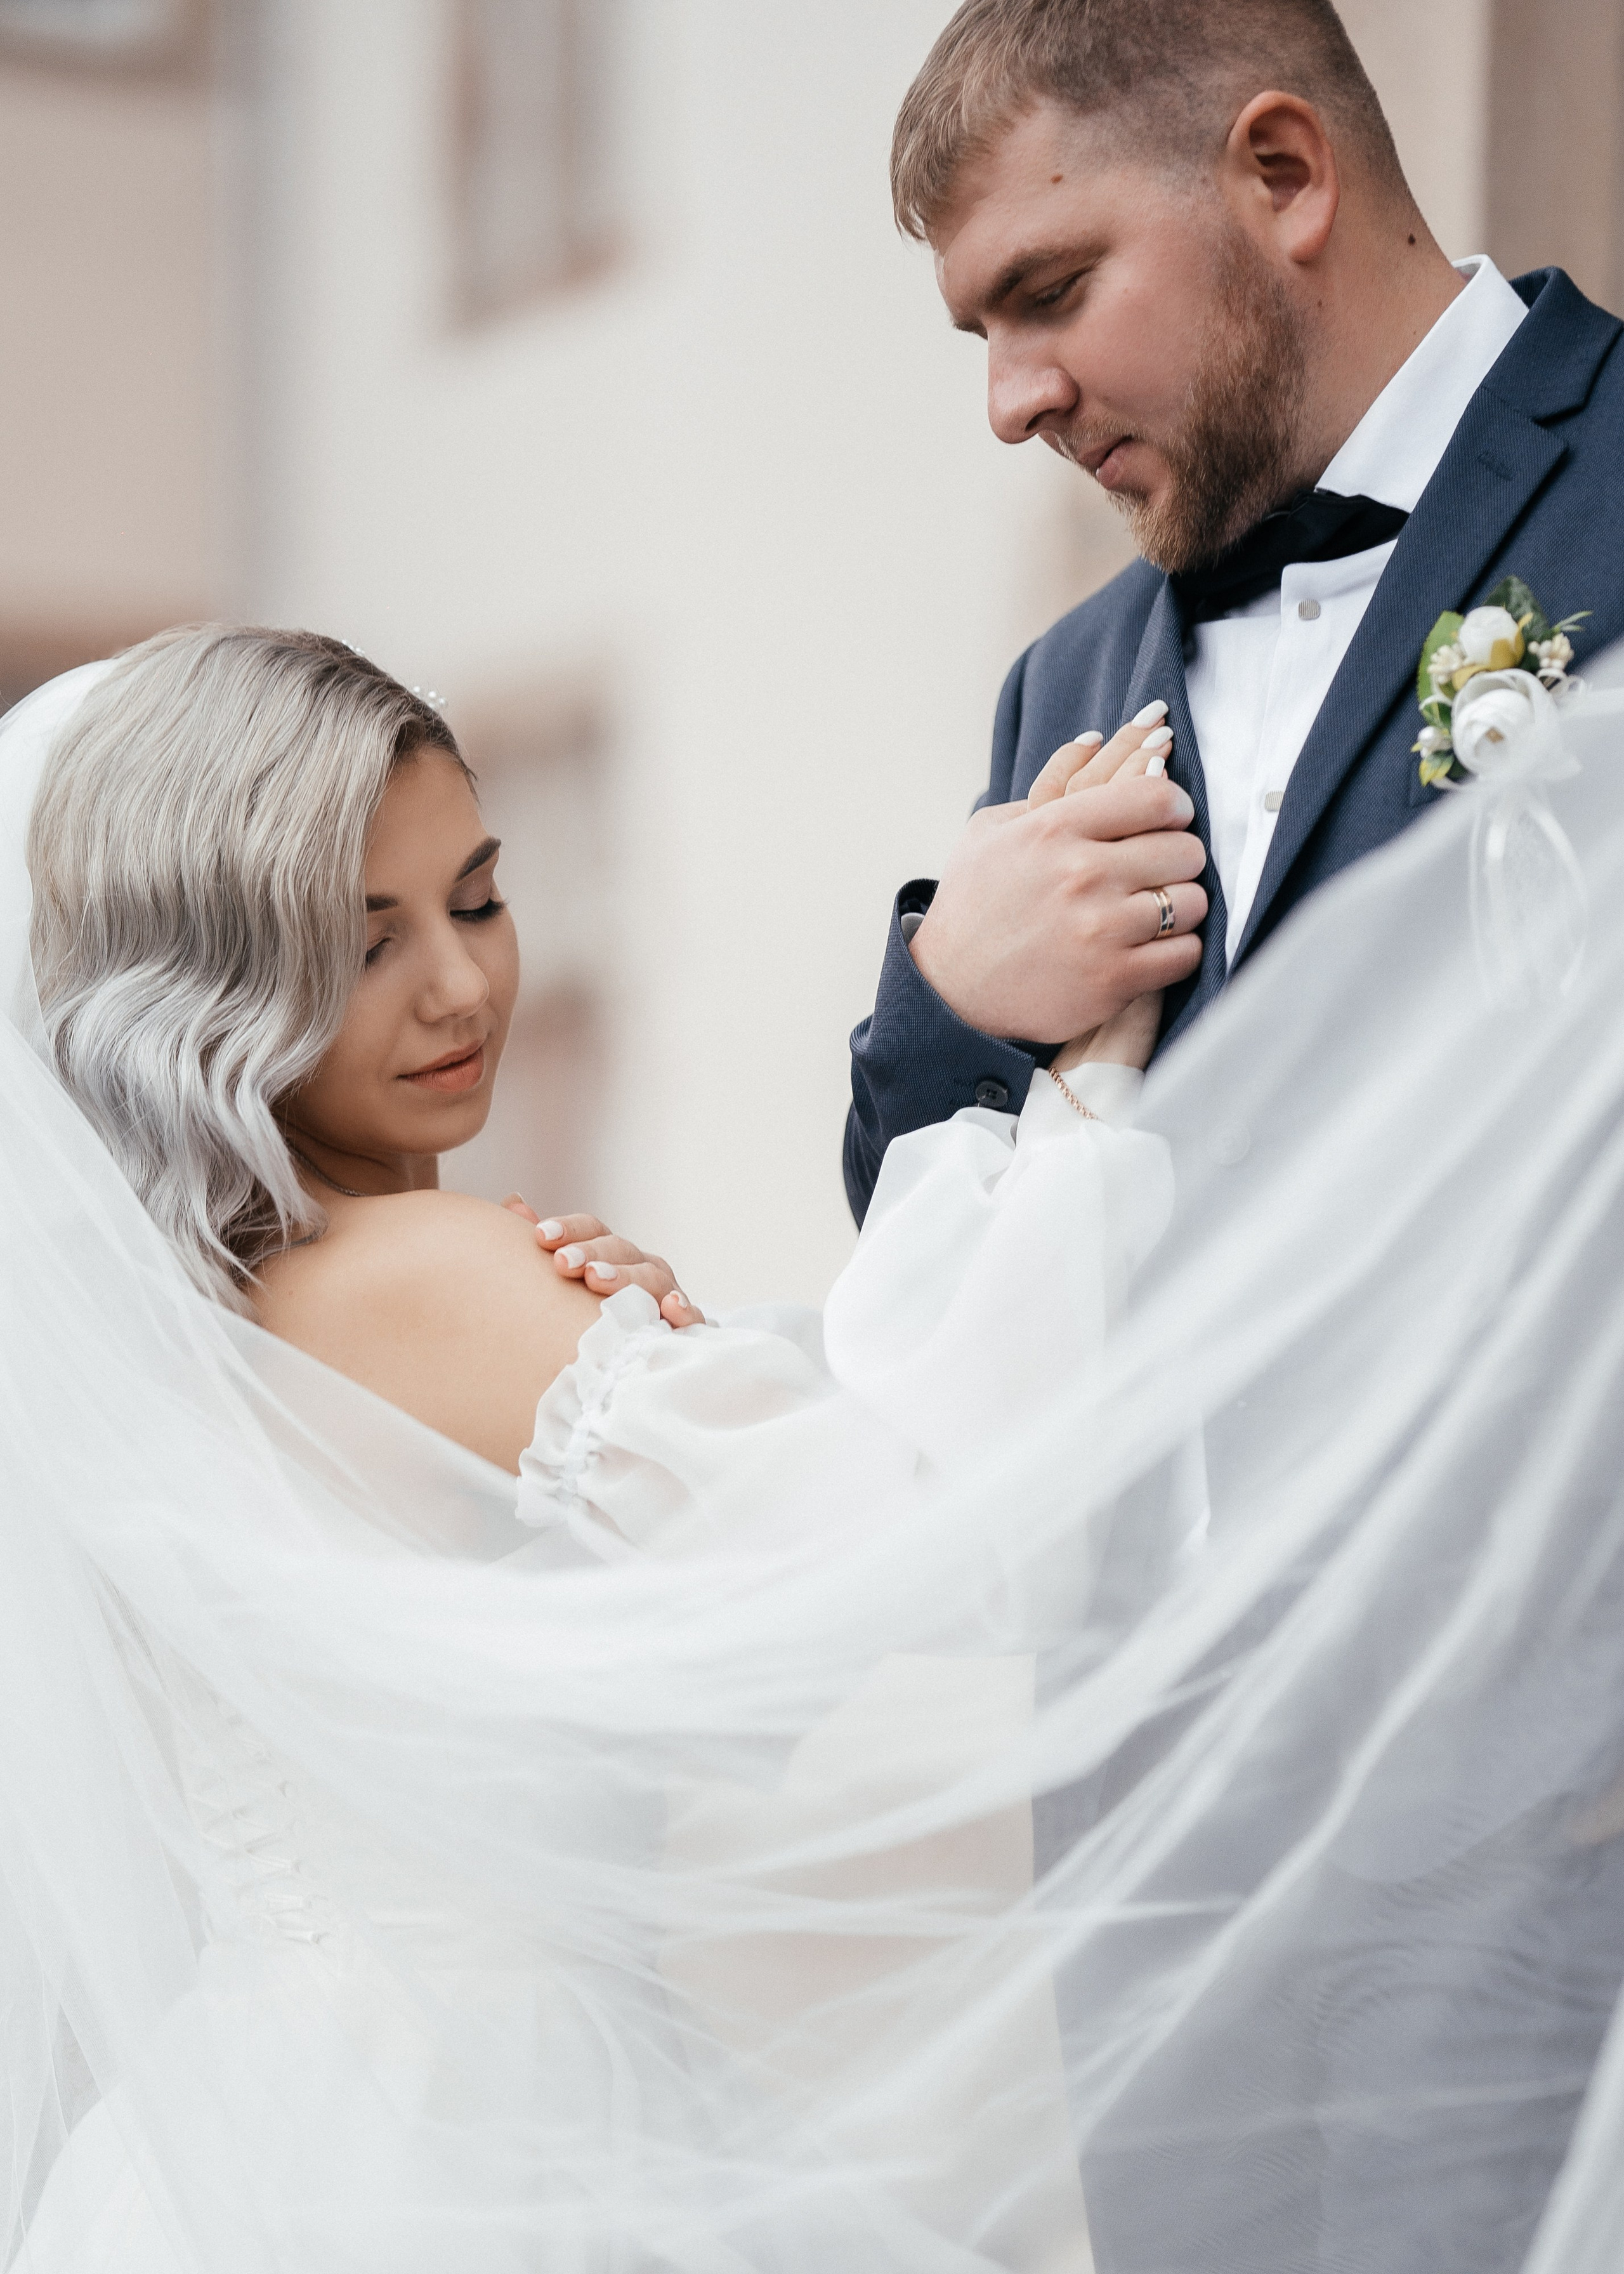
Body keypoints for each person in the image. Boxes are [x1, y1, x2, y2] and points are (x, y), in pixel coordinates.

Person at [10, 628, 1624, 2270]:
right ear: (212, 980)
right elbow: (947, 1556)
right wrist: (1069, 1115)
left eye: (480, 900)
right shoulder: (425, 1279)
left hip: (261, 2124)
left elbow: (705, 1699)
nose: (460, 985)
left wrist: (666, 1374)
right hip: (481, 2139)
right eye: (365, 946)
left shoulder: (205, 1314)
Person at [845, 0, 1624, 1223]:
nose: (1010, 404)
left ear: (1285, 175)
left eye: (1051, 290)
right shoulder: (1064, 683)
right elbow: (932, 1281)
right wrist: (953, 997)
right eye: (981, 336)